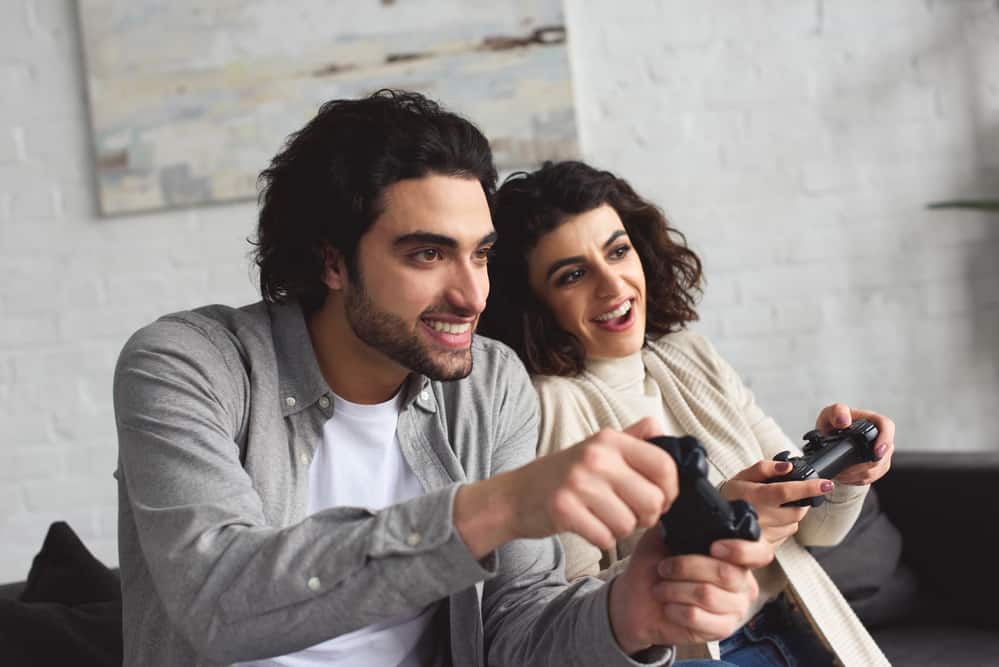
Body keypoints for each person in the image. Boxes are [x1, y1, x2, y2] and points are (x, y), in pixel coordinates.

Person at [112, 91, 774, 667]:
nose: (471, 295)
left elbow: (517, 632)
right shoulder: (187, 364)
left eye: (480, 254)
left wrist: (628, 614)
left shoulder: (490, 382)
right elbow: (218, 600)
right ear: (332, 260)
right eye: (427, 254)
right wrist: (498, 506)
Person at [479, 160, 895, 666]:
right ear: (534, 304)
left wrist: (846, 476)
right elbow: (566, 612)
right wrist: (714, 527)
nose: (613, 287)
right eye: (573, 275)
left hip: (802, 622)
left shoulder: (689, 355)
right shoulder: (546, 405)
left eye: (618, 251)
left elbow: (817, 531)